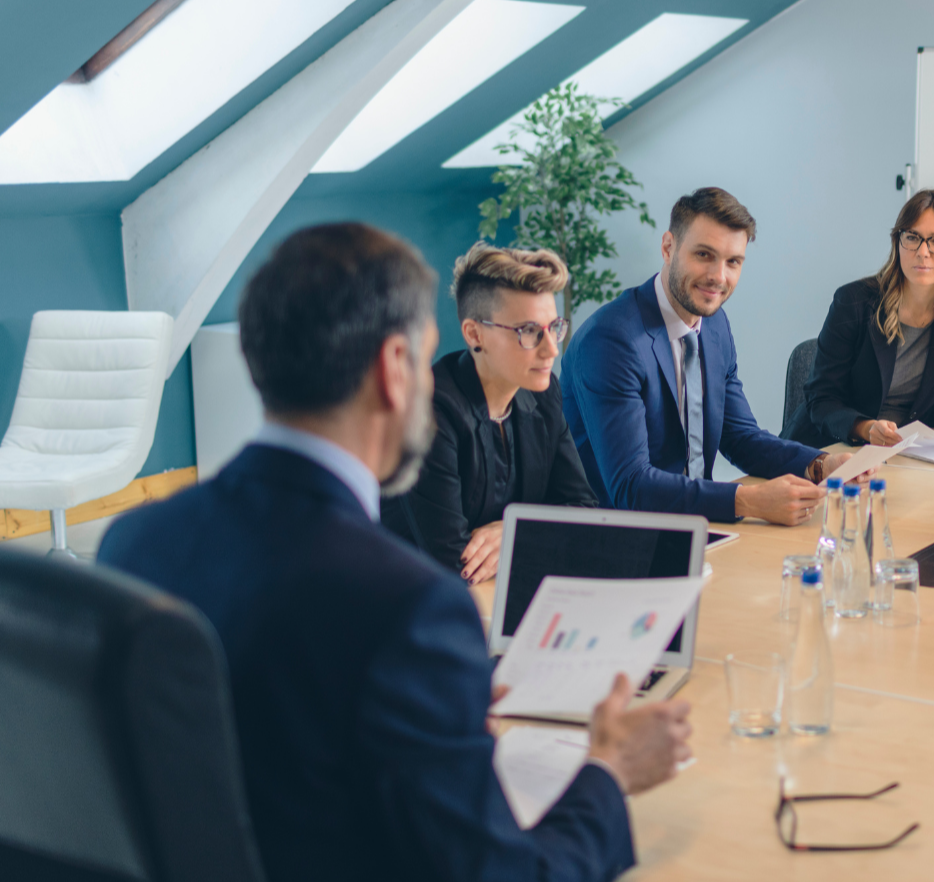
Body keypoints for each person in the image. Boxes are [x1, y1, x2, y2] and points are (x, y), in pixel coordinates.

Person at [97, 224, 691, 882]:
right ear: (392, 369)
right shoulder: (414, 610)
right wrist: (607, 774)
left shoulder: (133, 541)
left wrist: (433, 709)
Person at [562, 187, 852, 525]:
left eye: (733, 262)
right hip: (617, 535)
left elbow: (741, 437)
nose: (718, 277)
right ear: (668, 247)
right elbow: (631, 486)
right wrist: (747, 501)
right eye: (704, 255)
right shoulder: (611, 340)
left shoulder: (713, 326)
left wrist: (819, 465)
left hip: (695, 523)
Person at [381, 243, 596, 585]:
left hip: (505, 591)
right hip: (410, 603)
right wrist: (535, 533)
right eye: (528, 331)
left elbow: (584, 512)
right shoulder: (428, 413)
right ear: (474, 334)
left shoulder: (544, 395)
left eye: (554, 327)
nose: (552, 349)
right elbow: (453, 561)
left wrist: (516, 531)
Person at [782, 189, 934, 447]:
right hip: (831, 447)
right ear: (898, 242)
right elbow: (821, 399)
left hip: (908, 454)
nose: (923, 251)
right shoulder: (854, 302)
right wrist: (866, 428)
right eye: (912, 237)